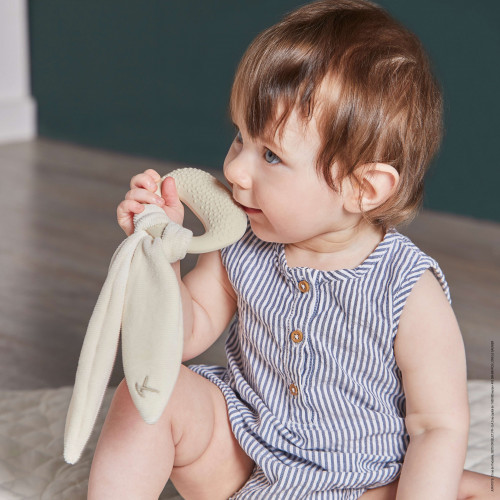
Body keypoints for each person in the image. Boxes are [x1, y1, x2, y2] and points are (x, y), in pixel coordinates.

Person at [88, 1, 497, 498]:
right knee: (148, 393)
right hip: (244, 462)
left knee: (467, 487)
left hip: (362, 482)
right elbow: (183, 335)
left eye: (271, 155)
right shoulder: (241, 240)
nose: (236, 170)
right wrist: (165, 255)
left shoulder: (407, 289)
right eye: (240, 138)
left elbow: (437, 426)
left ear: (362, 189)